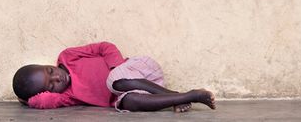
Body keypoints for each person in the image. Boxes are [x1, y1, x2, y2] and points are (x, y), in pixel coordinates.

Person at [12, 41, 216, 112]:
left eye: (50, 71)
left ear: (49, 64)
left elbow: (104, 46)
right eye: (51, 85)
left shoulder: (68, 57)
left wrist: (116, 68)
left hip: (139, 71)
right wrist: (25, 100)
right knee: (125, 102)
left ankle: (176, 95)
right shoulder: (67, 96)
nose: (57, 78)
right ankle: (187, 96)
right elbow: (42, 101)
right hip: (145, 92)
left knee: (115, 81)